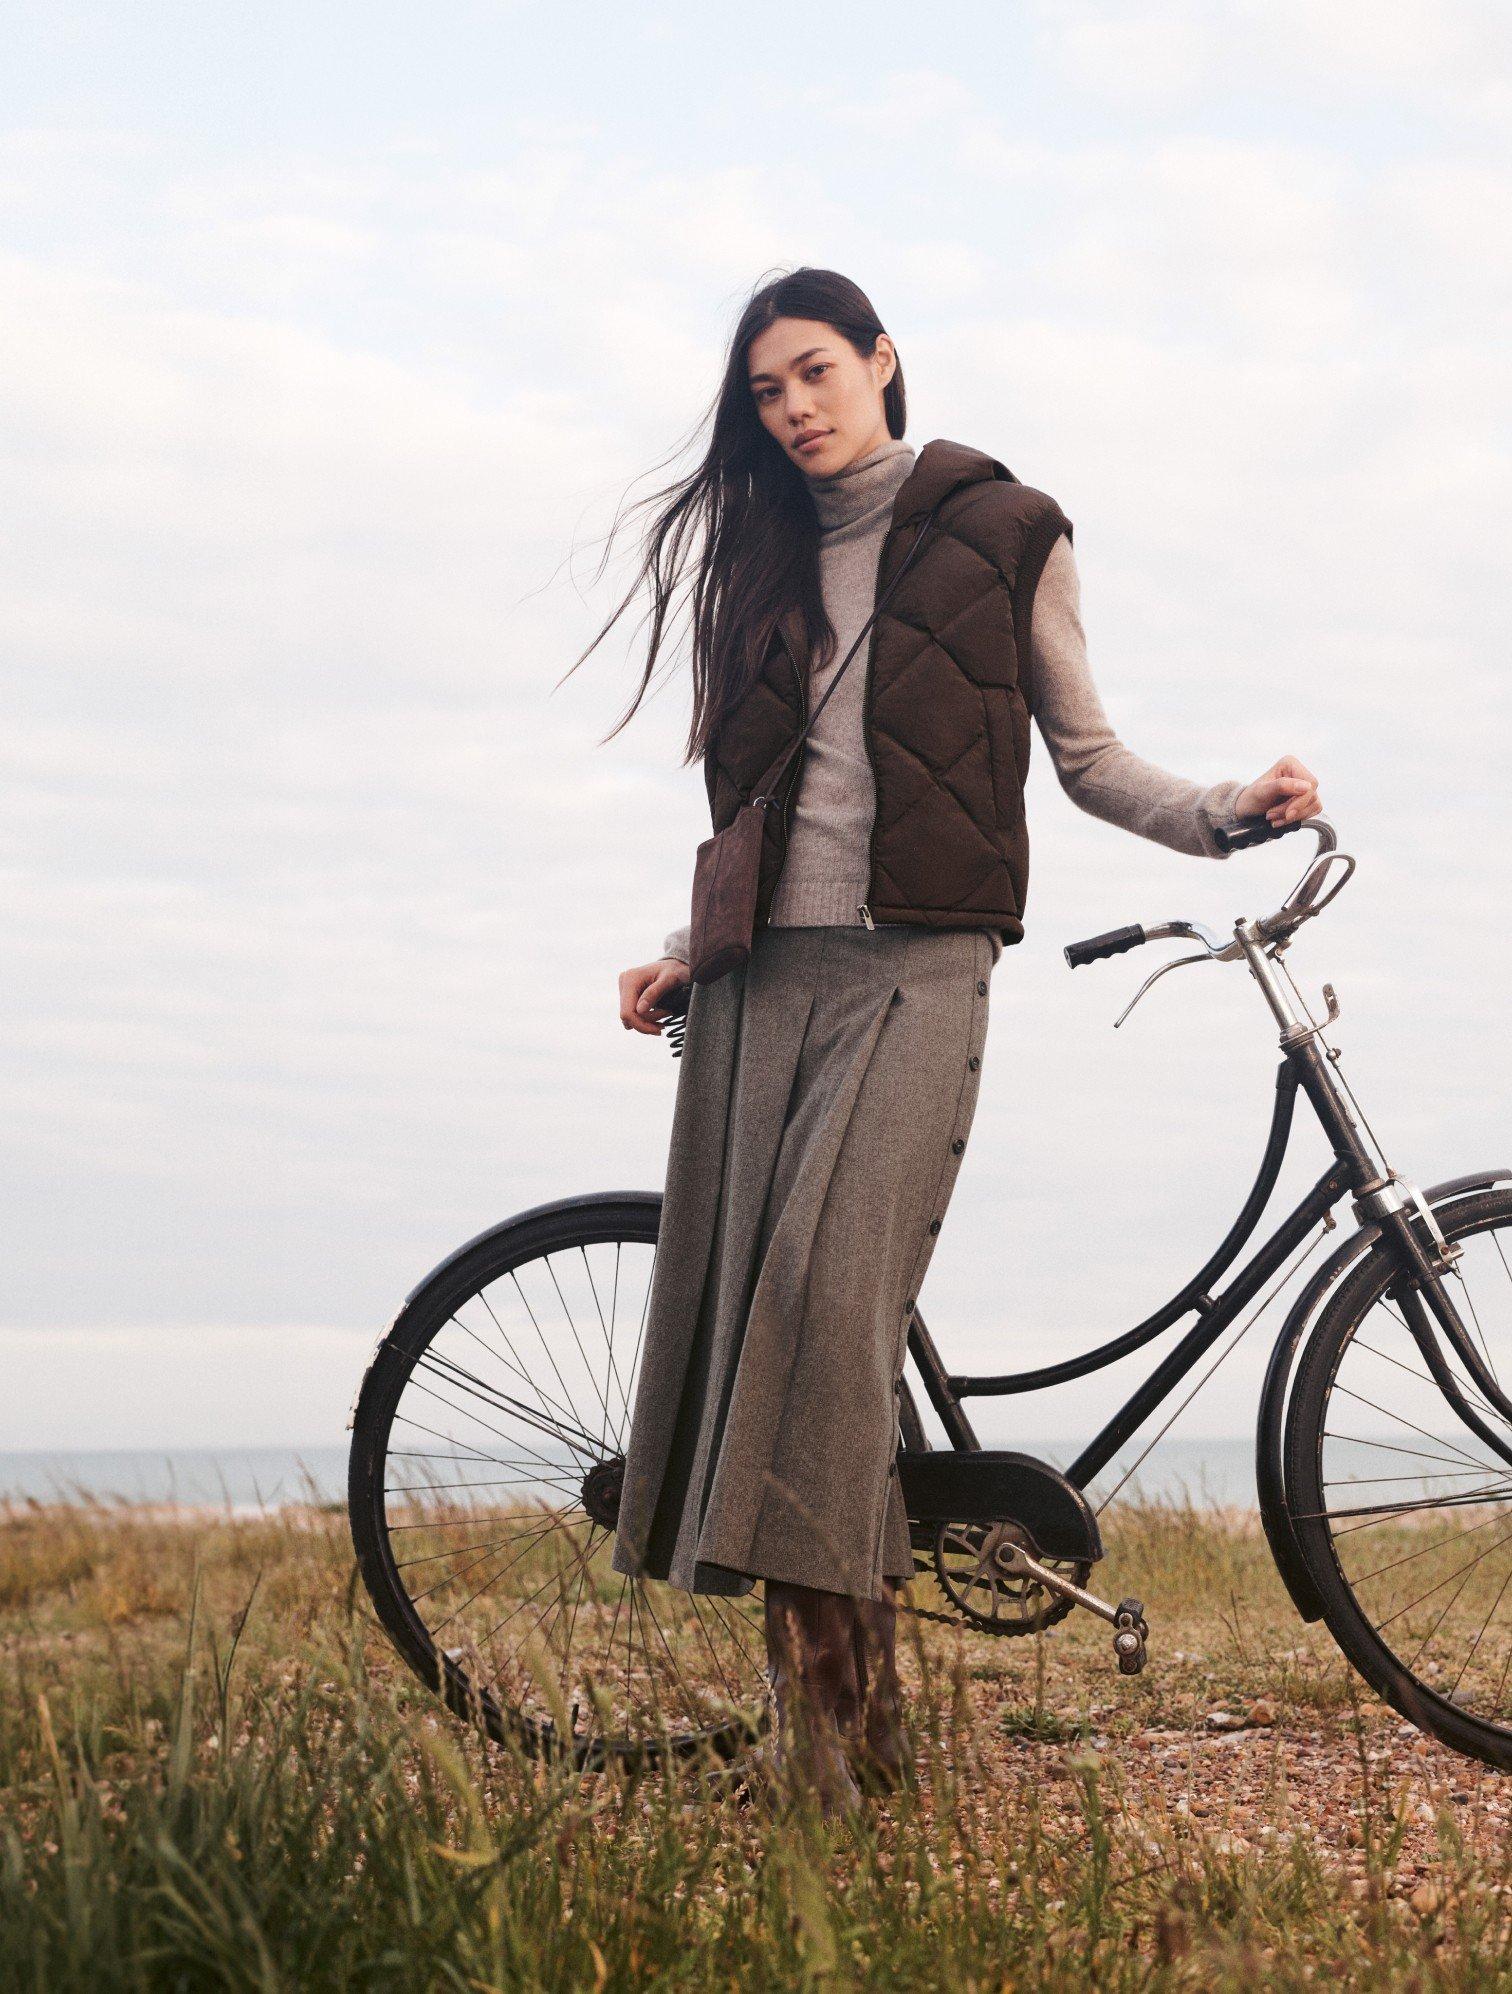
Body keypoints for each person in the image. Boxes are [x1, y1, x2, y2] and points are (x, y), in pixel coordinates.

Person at [571, 267, 1322, 1816]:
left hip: (920, 968)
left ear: (883, 359)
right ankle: (842, 1742)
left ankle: (840, 1750)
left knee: (823, 1310)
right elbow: (762, 799)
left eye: (814, 372)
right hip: (766, 978)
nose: (792, 407)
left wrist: (1228, 813)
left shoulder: (1006, 528)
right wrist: (679, 948)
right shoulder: (762, 556)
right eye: (766, 390)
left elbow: (1090, 756)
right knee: (785, 1347)